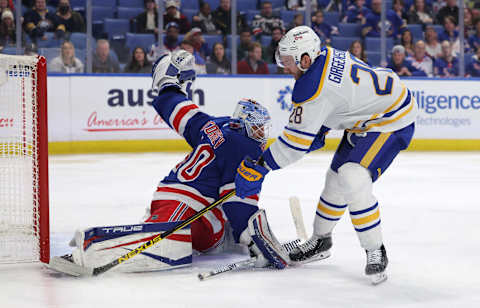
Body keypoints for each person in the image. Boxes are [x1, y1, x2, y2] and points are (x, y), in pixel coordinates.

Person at [51, 50, 289, 273]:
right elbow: (238, 202)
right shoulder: (244, 147)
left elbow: (179, 110)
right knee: (167, 239)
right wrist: (254, 242)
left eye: (262, 129)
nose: (262, 135)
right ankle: (91, 252)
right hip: (191, 207)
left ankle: (166, 231)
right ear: (243, 125)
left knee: (207, 227)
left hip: (171, 197)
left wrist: (168, 85)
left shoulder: (215, 125)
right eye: (257, 128)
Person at [235, 26, 418, 285]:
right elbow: (344, 97)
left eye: (287, 61)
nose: (283, 67)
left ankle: (375, 249)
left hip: (391, 119)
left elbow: (293, 145)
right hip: (370, 116)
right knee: (334, 180)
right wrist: (321, 126)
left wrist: (262, 165)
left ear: (305, 59)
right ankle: (320, 241)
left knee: (353, 177)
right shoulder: (327, 55)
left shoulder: (311, 86)